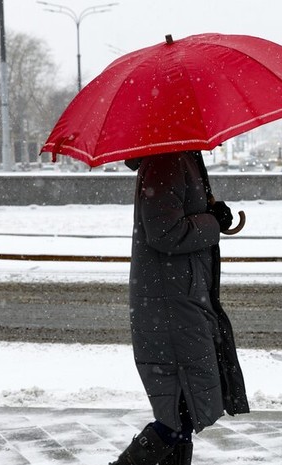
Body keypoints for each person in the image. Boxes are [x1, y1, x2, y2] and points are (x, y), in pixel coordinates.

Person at [111, 151, 249, 465]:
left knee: (182, 415)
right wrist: (212, 221)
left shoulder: (178, 157)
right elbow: (165, 231)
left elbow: (177, 215)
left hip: (179, 300)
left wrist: (210, 212)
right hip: (172, 306)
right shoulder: (167, 160)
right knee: (176, 416)